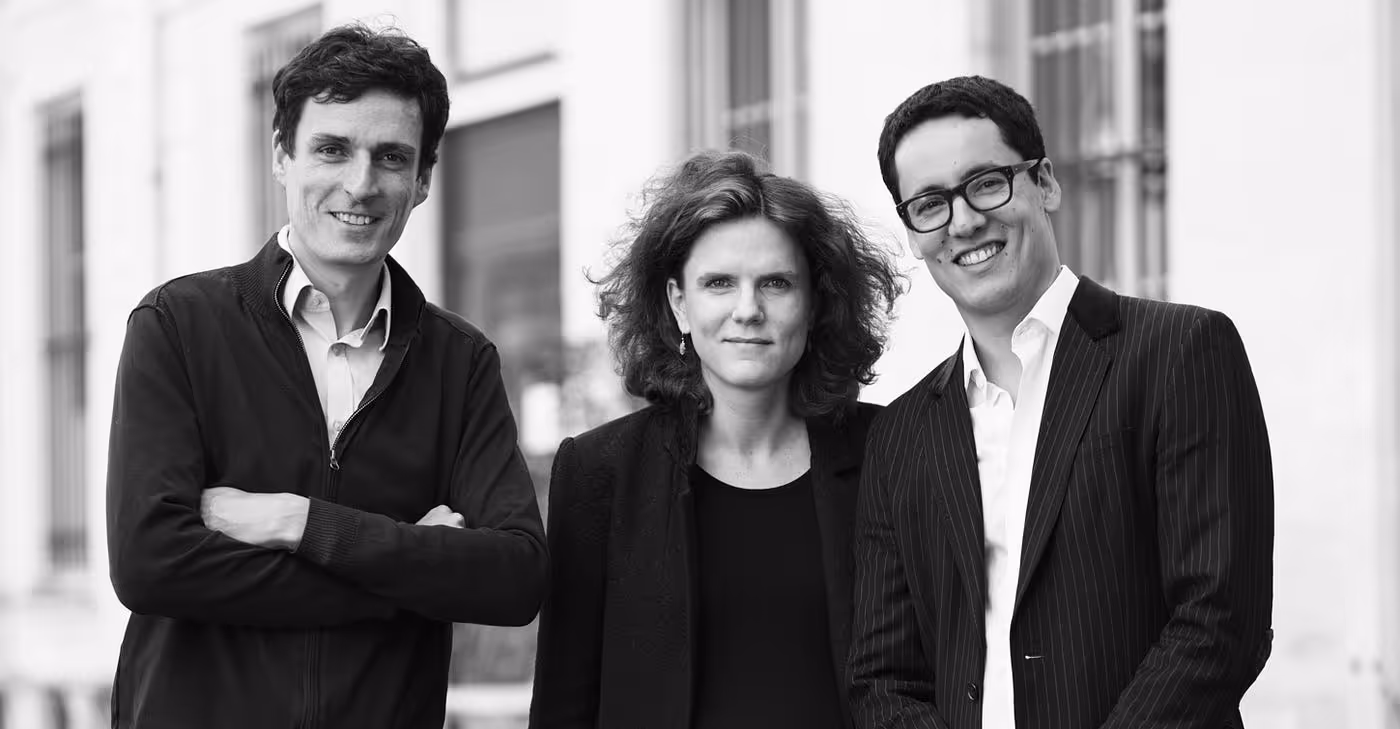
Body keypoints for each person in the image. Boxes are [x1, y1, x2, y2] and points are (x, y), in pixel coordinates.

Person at [105, 23, 547, 729]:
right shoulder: (178, 325)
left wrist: (298, 521)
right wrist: (407, 569)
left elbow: (515, 576)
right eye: (332, 149)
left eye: (391, 157)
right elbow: (150, 563)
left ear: (423, 181)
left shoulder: (459, 361)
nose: (360, 184)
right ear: (282, 156)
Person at [848, 75, 1274, 729]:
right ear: (912, 232)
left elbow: (1221, 620)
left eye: (986, 182)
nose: (964, 221)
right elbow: (883, 679)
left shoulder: (1181, 352)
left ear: (1044, 182)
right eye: (930, 204)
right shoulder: (900, 432)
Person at [528, 150, 904, 729]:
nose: (747, 310)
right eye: (719, 283)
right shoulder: (599, 470)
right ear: (679, 304)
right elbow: (564, 703)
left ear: (813, 303)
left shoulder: (892, 451)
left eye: (776, 283)